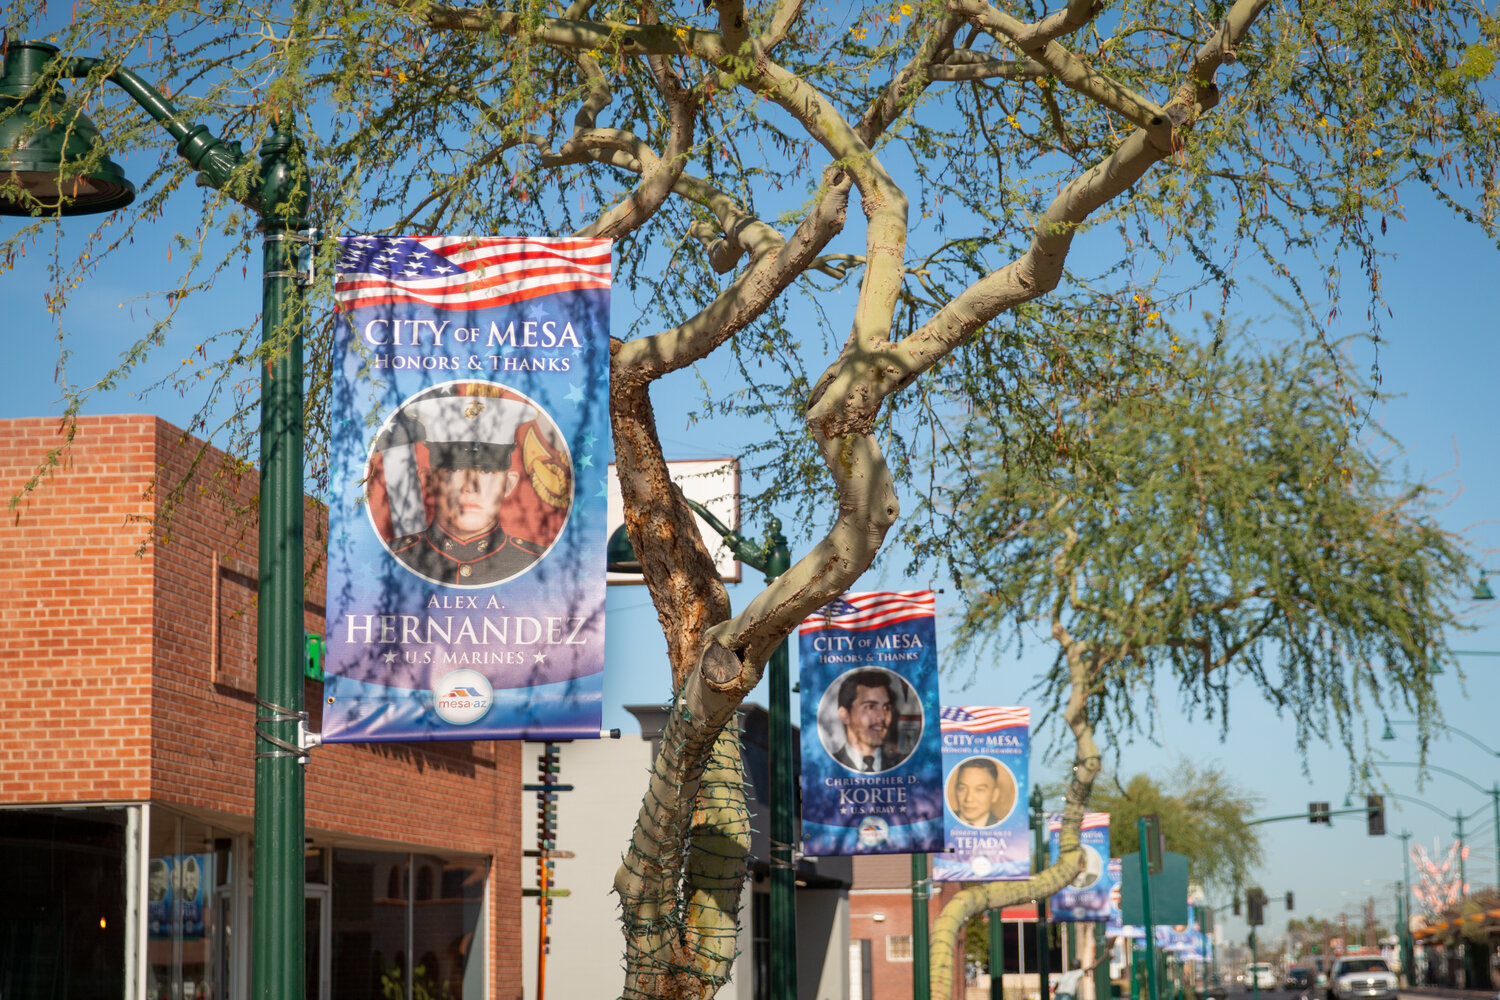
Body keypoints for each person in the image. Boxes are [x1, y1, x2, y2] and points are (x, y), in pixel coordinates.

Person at [389, 394, 548, 585]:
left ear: (508, 484)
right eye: (453, 469)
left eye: (487, 470)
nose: (470, 487)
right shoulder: (395, 557)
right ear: (427, 480)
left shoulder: (536, 562)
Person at [830, 669, 912, 773]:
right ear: (845, 715)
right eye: (870, 707)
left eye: (886, 707)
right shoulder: (827, 768)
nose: (882, 716)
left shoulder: (905, 766)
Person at [949, 757, 1013, 827]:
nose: (968, 799)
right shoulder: (943, 823)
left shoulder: (1006, 827)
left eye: (979, 790)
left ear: (994, 795)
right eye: (962, 788)